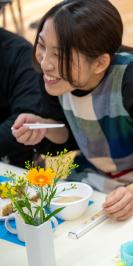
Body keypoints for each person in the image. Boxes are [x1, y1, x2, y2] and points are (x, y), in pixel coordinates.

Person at [11, 0, 133, 221]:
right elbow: (72, 136)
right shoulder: (57, 79)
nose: (45, 64)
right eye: (42, 46)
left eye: (60, 55)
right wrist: (44, 127)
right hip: (98, 176)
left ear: (100, 63)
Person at [0, 27, 72, 167]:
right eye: (42, 46)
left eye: (57, 53)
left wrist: (49, 128)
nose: (45, 64)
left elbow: (64, 138)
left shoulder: (19, 54)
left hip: (16, 164)